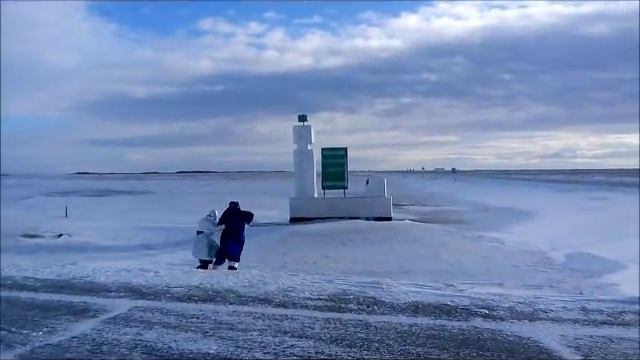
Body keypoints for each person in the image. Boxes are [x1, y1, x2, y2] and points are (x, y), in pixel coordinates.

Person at [213, 201, 254, 270]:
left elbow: (219, 224)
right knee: (235, 252)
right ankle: (232, 267)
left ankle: (216, 266)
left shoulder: (226, 213)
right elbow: (250, 215)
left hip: (227, 236)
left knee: (223, 251)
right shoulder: (242, 213)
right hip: (238, 236)